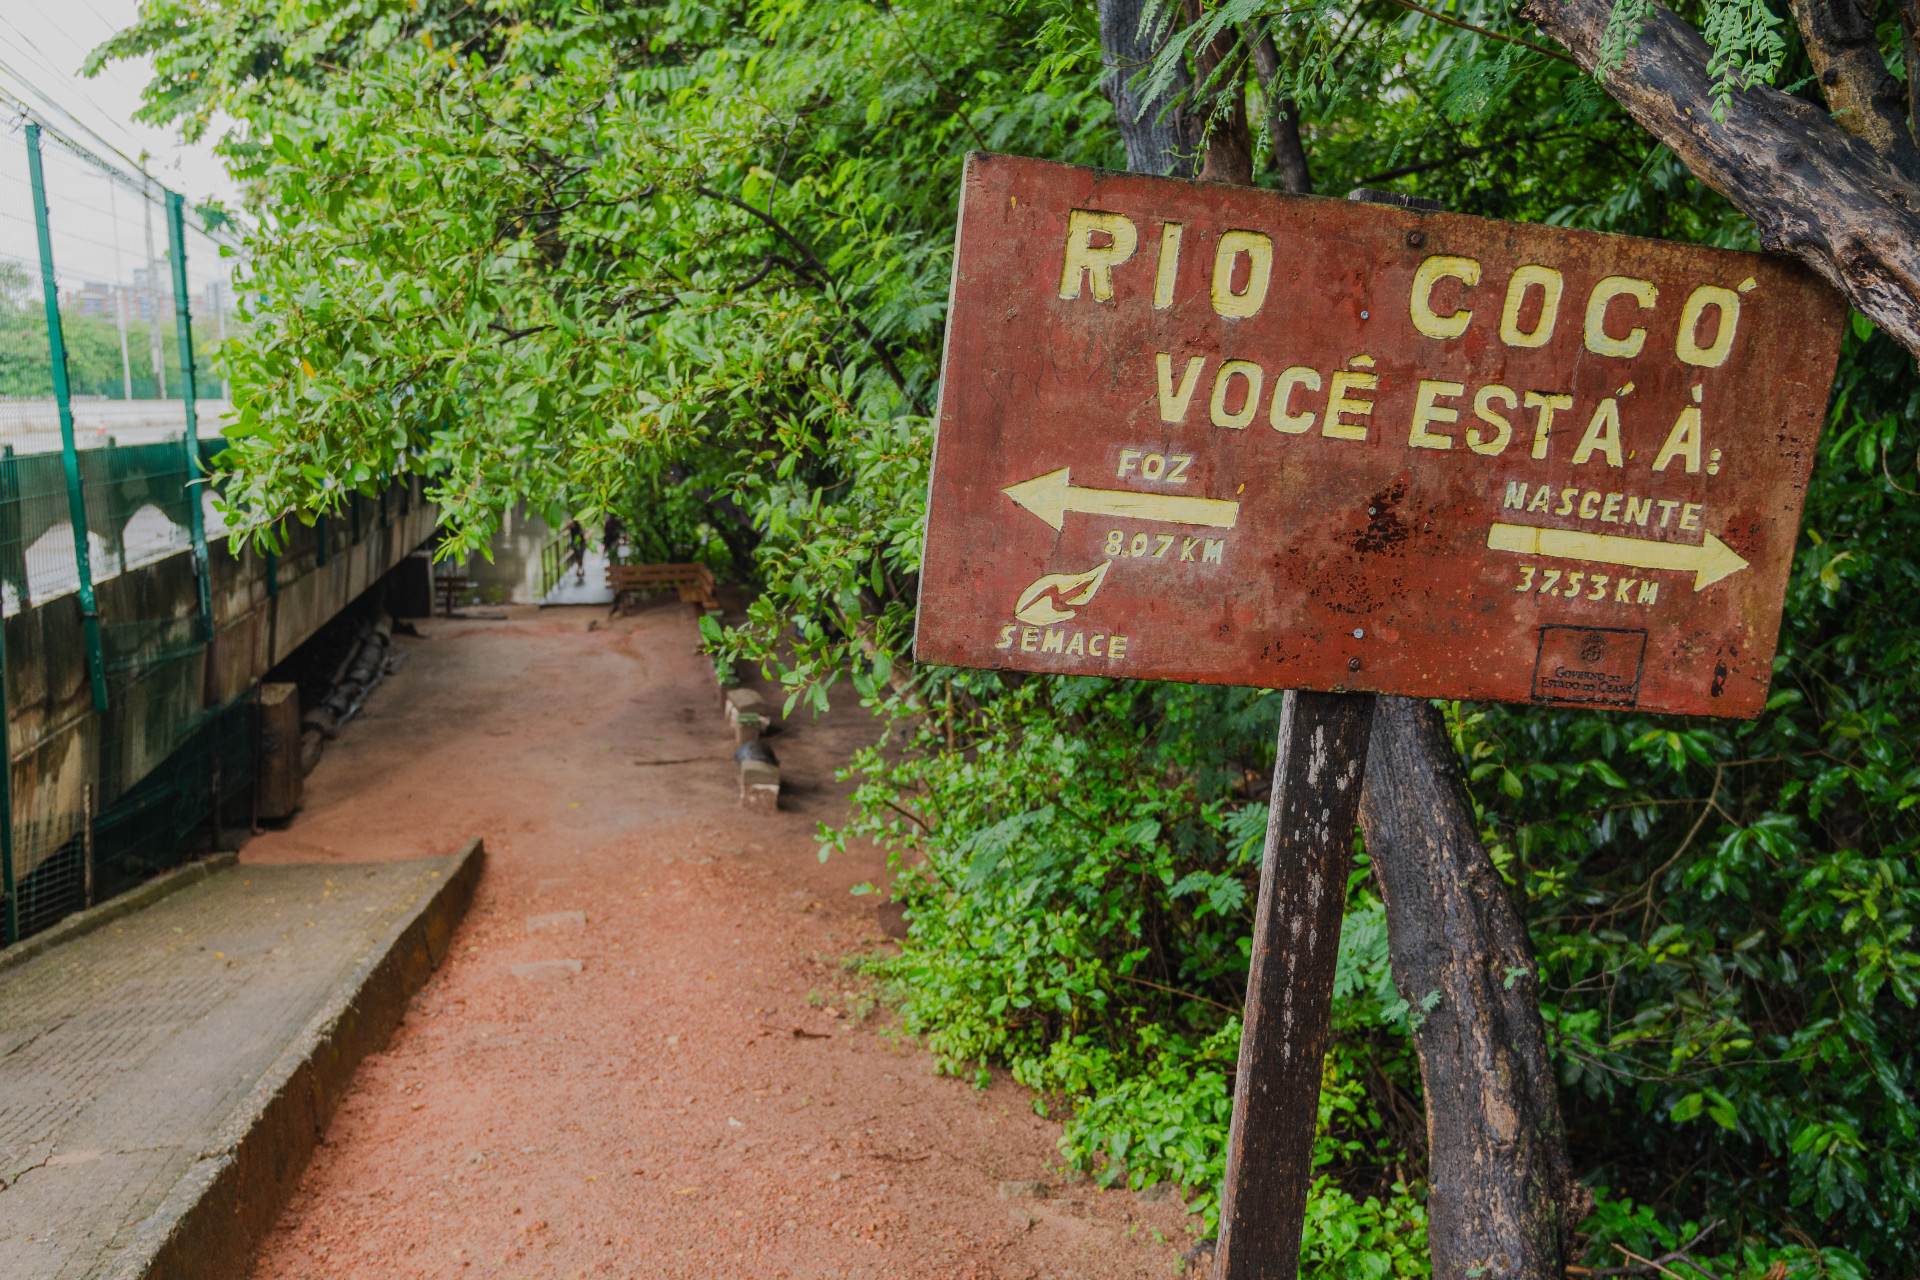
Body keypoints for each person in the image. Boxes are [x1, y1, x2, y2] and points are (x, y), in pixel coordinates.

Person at [565, 519, 587, 583]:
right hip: (576, 543)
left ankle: (580, 569)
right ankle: (580, 569)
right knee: (578, 557)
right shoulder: (571, 524)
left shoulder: (580, 524)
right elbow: (566, 528)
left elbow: (585, 532)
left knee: (580, 557)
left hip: (581, 542)